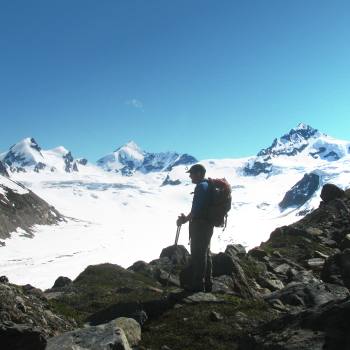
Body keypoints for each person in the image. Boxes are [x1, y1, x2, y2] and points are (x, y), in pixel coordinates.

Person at [177, 164, 214, 292]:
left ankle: (198, 285)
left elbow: (196, 210)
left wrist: (185, 220)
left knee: (198, 254)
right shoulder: (207, 185)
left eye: (191, 173)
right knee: (205, 253)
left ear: (199, 173)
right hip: (207, 224)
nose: (190, 176)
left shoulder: (201, 187)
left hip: (200, 225)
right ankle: (208, 283)